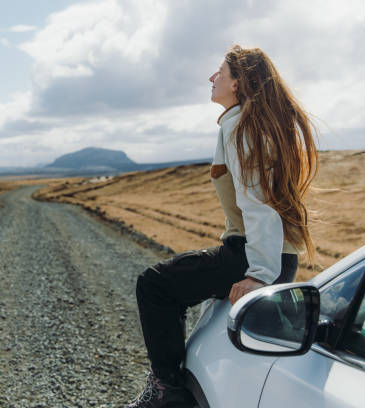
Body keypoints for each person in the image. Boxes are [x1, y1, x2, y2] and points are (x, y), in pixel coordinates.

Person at [126, 44, 318, 408]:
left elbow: (257, 202)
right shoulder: (252, 123)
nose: (212, 78)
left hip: (253, 255)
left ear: (239, 83)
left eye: (221, 73)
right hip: (265, 252)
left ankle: (167, 391)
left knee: (154, 285)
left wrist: (260, 273)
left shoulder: (241, 126)